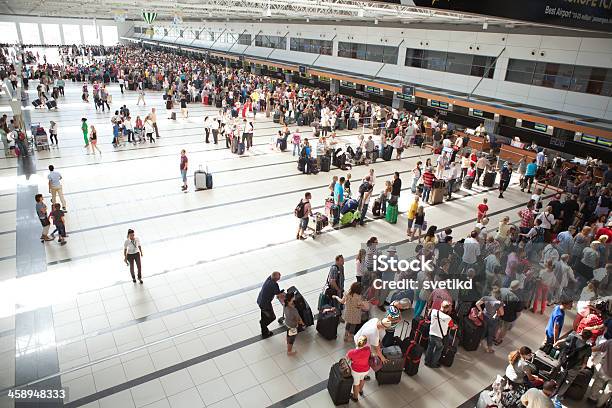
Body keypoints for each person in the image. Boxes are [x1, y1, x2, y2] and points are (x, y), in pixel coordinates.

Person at [554, 329, 593, 401]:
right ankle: (559, 396)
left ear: (581, 333)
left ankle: (553, 390)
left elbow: (559, 342)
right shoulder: (588, 348)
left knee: (560, 376)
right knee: (568, 381)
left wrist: (555, 345)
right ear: (589, 338)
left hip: (564, 362)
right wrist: (581, 368)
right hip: (574, 367)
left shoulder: (572, 337)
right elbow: (585, 363)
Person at [425, 300, 454, 368]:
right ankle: (433, 364)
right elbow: (452, 327)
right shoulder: (448, 318)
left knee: (430, 347)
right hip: (439, 336)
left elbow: (430, 319)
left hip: (431, 333)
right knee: (439, 349)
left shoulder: (434, 311)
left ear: (441, 305)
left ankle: (427, 361)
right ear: (447, 309)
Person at [475, 286, 504, 353]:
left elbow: (477, 304)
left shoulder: (486, 297)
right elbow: (502, 313)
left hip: (484, 316)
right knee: (490, 334)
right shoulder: (499, 303)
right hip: (493, 319)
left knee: (483, 330)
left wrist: (481, 311)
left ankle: (478, 342)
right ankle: (489, 348)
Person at [256, 272, 285, 338]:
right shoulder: (274, 284)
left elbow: (276, 292)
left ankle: (265, 332)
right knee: (272, 317)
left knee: (264, 315)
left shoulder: (269, 278)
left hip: (260, 300)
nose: (280, 276)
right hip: (265, 304)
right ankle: (263, 325)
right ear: (277, 279)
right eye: (279, 276)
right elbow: (279, 295)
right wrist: (283, 295)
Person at [587, 338, 612, 406]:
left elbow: (596, 348)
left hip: (605, 370)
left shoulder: (610, 342)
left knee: (598, 383)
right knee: (609, 390)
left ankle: (592, 398)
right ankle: (600, 404)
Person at [346, 335, 371, 402]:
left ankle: (355, 397)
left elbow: (347, 360)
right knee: (362, 379)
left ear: (357, 341)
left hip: (356, 371)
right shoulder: (368, 349)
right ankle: (360, 390)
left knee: (356, 384)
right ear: (365, 343)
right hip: (366, 369)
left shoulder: (351, 352)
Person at [283, 291, 304, 356]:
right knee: (292, 339)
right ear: (291, 299)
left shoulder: (285, 305)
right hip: (292, 326)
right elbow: (297, 319)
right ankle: (289, 351)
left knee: (288, 334)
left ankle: (287, 339)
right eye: (293, 297)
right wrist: (302, 323)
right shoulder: (293, 310)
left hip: (287, 323)